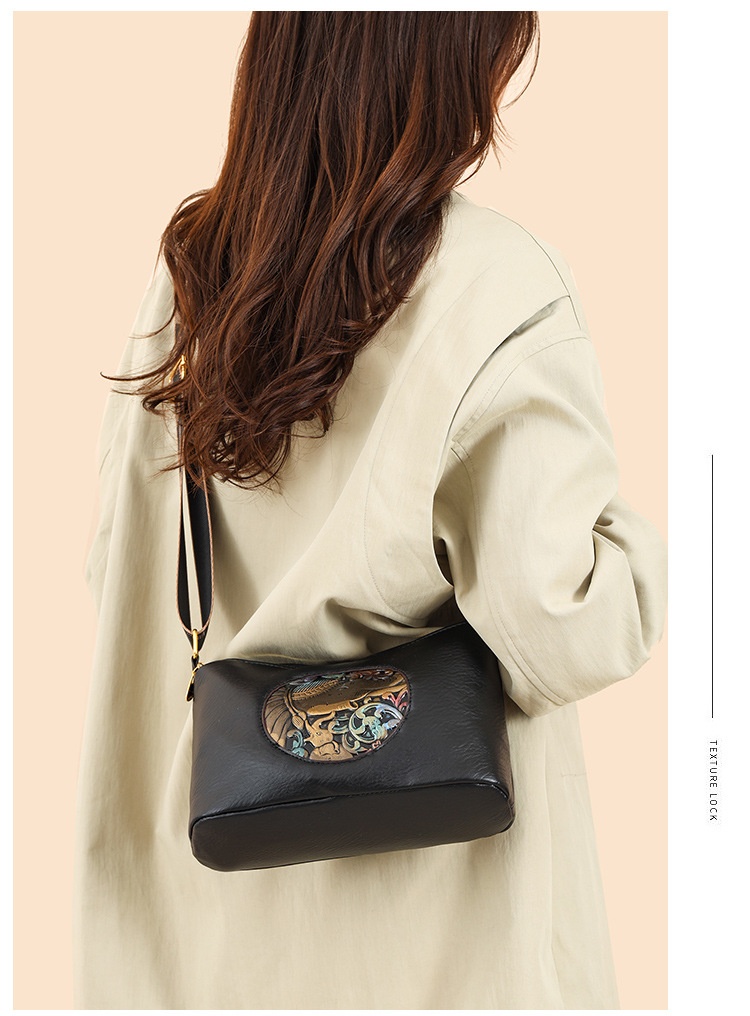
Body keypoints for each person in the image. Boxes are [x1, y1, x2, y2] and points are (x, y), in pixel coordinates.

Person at [76, 11, 667, 1010]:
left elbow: (119, 566)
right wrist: (647, 552)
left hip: (207, 930)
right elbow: (561, 627)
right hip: (442, 945)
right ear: (456, 60)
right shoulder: (498, 286)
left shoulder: (189, 276)